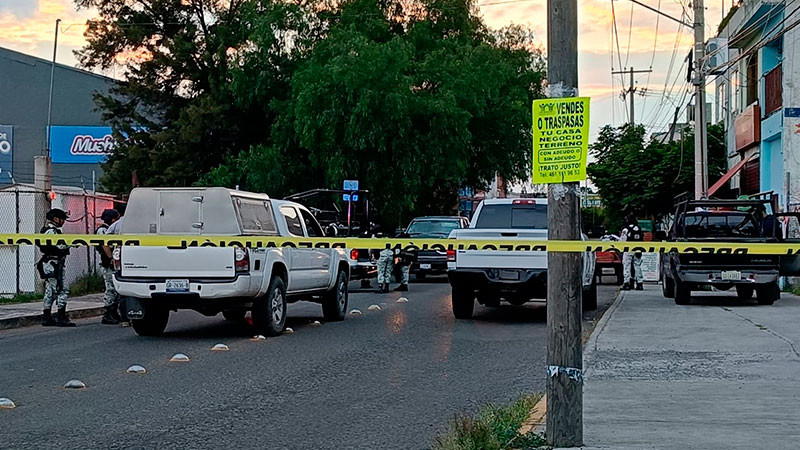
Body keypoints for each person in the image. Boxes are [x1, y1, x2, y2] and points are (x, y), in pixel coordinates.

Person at [37, 208, 75, 327]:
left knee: (51, 291)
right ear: (55, 219)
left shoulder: (49, 230)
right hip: (53, 264)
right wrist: (71, 243)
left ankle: (47, 316)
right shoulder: (52, 232)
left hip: (51, 264)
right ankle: (61, 316)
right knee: (62, 289)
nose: (63, 221)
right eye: (62, 219)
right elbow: (58, 246)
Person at [96, 209, 121, 325]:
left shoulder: (109, 229)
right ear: (112, 219)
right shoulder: (103, 230)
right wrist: (111, 257)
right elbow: (104, 244)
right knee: (110, 288)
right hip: (108, 264)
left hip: (113, 263)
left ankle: (114, 312)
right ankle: (108, 313)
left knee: (115, 289)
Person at [620, 214, 644, 291]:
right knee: (637, 266)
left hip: (628, 249)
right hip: (638, 249)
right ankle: (639, 283)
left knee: (627, 266)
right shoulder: (638, 228)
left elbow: (622, 240)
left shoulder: (626, 229)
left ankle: (627, 283)